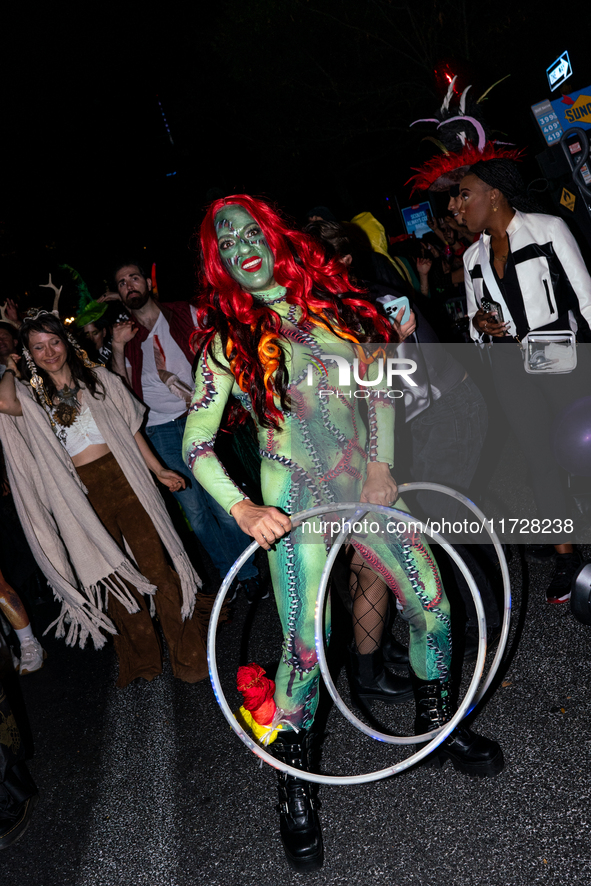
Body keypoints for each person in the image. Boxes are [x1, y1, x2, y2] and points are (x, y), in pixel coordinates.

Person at [183, 196, 503, 872]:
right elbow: (195, 448)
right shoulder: (224, 344)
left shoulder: (333, 309)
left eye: (250, 230)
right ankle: (295, 793)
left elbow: (380, 390)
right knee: (303, 650)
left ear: (274, 241)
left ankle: (437, 729)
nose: (240, 242)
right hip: (294, 507)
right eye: (226, 238)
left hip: (365, 492)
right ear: (221, 263)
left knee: (434, 608)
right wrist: (241, 512)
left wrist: (384, 463)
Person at [0, 310, 210, 688]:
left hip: (126, 479)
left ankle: (189, 653)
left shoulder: (98, 379)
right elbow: (2, 404)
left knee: (157, 568)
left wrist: (158, 470)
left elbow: (131, 430)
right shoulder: (30, 399)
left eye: (54, 342)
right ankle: (143, 658)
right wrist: (10, 371)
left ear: (66, 342)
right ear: (29, 353)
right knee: (114, 577)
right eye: (38, 347)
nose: (49, 352)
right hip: (82, 496)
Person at [461, 158, 591, 602]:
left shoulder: (548, 228)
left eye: (465, 195)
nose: (457, 207)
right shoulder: (471, 258)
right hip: (508, 366)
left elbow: (586, 296)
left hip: (557, 353)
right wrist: (480, 324)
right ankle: (566, 554)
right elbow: (472, 327)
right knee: (538, 459)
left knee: (582, 447)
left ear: (494, 195)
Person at [108, 263, 260, 598]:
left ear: (148, 283)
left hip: (201, 420)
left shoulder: (184, 313)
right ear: (119, 293)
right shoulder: (125, 336)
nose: (129, 285)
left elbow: (220, 350)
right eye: (121, 283)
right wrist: (117, 348)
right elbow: (118, 389)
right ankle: (230, 572)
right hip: (159, 429)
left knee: (222, 503)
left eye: (134, 278)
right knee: (196, 513)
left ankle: (248, 572)